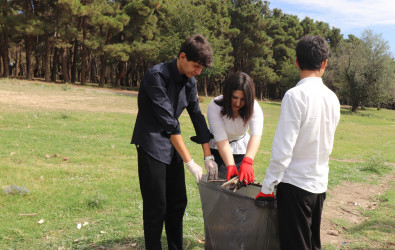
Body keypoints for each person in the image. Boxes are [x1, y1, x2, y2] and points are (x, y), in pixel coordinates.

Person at [131, 34, 218, 250]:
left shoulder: (190, 82)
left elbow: (197, 117)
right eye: (196, 66)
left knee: (178, 203)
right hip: (151, 144)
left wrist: (207, 155)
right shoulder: (156, 76)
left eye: (201, 68)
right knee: (156, 207)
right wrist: (190, 162)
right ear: (182, 56)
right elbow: (169, 122)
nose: (198, 72)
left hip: (172, 146)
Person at [255, 35, 341, 250]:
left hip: (295, 185)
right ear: (324, 63)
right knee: (312, 244)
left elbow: (283, 148)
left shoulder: (295, 96)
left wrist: (268, 187)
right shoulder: (332, 98)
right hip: (319, 185)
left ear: (296, 62)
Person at [207, 72, 263, 184]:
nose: (238, 103)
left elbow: (256, 135)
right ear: (228, 94)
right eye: (234, 97)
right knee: (221, 185)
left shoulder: (254, 106)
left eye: (243, 99)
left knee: (242, 185)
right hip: (219, 149)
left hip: (241, 148)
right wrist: (230, 165)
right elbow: (221, 139)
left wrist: (247, 162)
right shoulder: (215, 106)